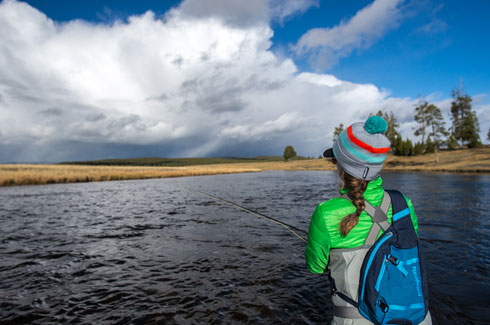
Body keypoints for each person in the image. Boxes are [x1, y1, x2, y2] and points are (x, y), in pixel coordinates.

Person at [305, 116, 432, 325]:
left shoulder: (326, 213)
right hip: (416, 317)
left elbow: (316, 267)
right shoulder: (404, 203)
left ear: (342, 166)